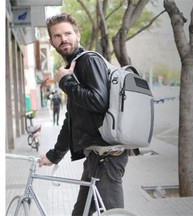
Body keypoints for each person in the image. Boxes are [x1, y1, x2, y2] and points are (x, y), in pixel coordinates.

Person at [39, 13, 129, 215]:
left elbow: (98, 101)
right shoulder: (74, 68)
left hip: (108, 158)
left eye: (68, 33)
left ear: (77, 35)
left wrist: (66, 82)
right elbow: (71, 120)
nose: (63, 39)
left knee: (113, 214)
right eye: (57, 36)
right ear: (52, 41)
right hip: (95, 158)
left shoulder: (87, 61)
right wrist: (55, 155)